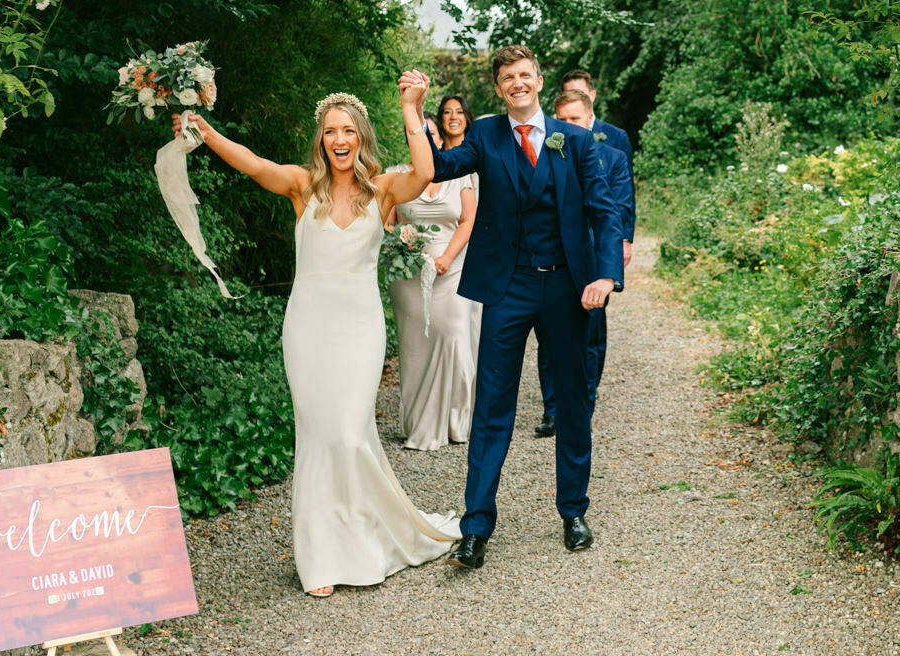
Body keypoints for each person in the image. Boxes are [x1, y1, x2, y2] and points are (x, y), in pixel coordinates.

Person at [173, 88, 459, 598]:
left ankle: (368, 538)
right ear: (321, 140)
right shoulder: (303, 187)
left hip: (360, 328)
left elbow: (424, 174)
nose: (339, 139)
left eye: (348, 130)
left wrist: (412, 111)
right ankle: (323, 558)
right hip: (307, 328)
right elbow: (254, 165)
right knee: (318, 436)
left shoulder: (383, 190)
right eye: (330, 131)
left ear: (361, 137)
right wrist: (207, 133)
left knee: (350, 432)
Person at [397, 47, 623, 569]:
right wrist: (413, 110)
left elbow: (604, 211)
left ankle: (573, 512)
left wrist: (605, 273)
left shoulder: (579, 142)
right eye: (507, 78)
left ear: (539, 81)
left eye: (525, 75)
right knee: (492, 404)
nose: (517, 84)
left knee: (571, 401)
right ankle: (476, 526)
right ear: (498, 89)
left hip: (567, 288)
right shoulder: (485, 136)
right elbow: (435, 168)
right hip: (506, 289)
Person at [535, 88, 633, 439]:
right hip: (551, 258)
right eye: (561, 120)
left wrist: (620, 249)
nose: (568, 126)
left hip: (592, 257)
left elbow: (619, 209)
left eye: (574, 119)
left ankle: (583, 406)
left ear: (589, 120)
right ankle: (552, 410)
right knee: (547, 337)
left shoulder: (612, 156)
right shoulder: (542, 155)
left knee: (589, 338)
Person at [387, 97, 480, 451]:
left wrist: (447, 257)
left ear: (440, 141)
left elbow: (468, 220)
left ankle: (457, 421)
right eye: (419, 133)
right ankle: (419, 424)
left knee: (454, 337)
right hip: (409, 274)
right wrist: (401, 244)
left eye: (432, 134)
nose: (426, 139)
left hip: (452, 269)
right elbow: (388, 221)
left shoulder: (461, 174)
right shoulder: (397, 176)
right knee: (414, 347)